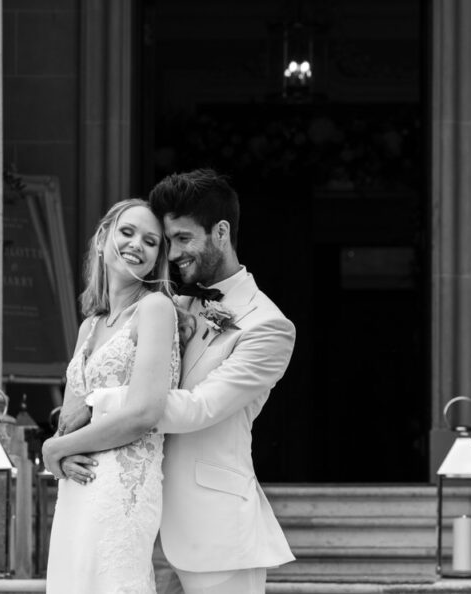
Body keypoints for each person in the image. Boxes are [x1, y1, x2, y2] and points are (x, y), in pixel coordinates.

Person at [65, 169, 296, 594]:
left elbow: (201, 407)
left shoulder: (268, 326)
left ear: (221, 232)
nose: (171, 254)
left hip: (214, 532)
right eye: (165, 242)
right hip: (130, 518)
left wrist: (105, 404)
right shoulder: (163, 303)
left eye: (183, 239)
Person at [42, 198, 180, 594]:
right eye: (127, 232)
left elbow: (143, 412)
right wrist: (60, 445)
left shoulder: (155, 309)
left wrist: (55, 449)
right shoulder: (90, 326)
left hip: (122, 487)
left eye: (151, 241)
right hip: (76, 485)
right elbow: (71, 417)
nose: (138, 244)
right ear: (103, 239)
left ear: (157, 259)